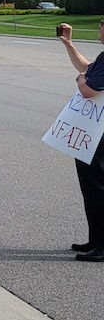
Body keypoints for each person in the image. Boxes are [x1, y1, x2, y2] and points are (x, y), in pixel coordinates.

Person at [57, 21, 104, 262]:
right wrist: (68, 44)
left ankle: (102, 245)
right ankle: (96, 239)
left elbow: (89, 89)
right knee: (91, 188)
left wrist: (81, 79)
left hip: (101, 136)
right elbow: (87, 68)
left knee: (98, 188)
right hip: (93, 132)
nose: (99, 29)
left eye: (101, 25)